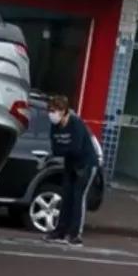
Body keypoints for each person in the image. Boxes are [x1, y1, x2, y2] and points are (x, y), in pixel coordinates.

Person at [46, 95, 100, 247]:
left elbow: (76, 148)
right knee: (66, 197)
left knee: (78, 198)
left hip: (86, 164)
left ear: (63, 111)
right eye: (50, 110)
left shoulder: (76, 124)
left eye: (54, 111)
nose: (51, 114)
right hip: (70, 165)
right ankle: (60, 231)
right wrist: (65, 150)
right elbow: (56, 148)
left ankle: (75, 234)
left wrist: (64, 150)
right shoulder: (55, 126)